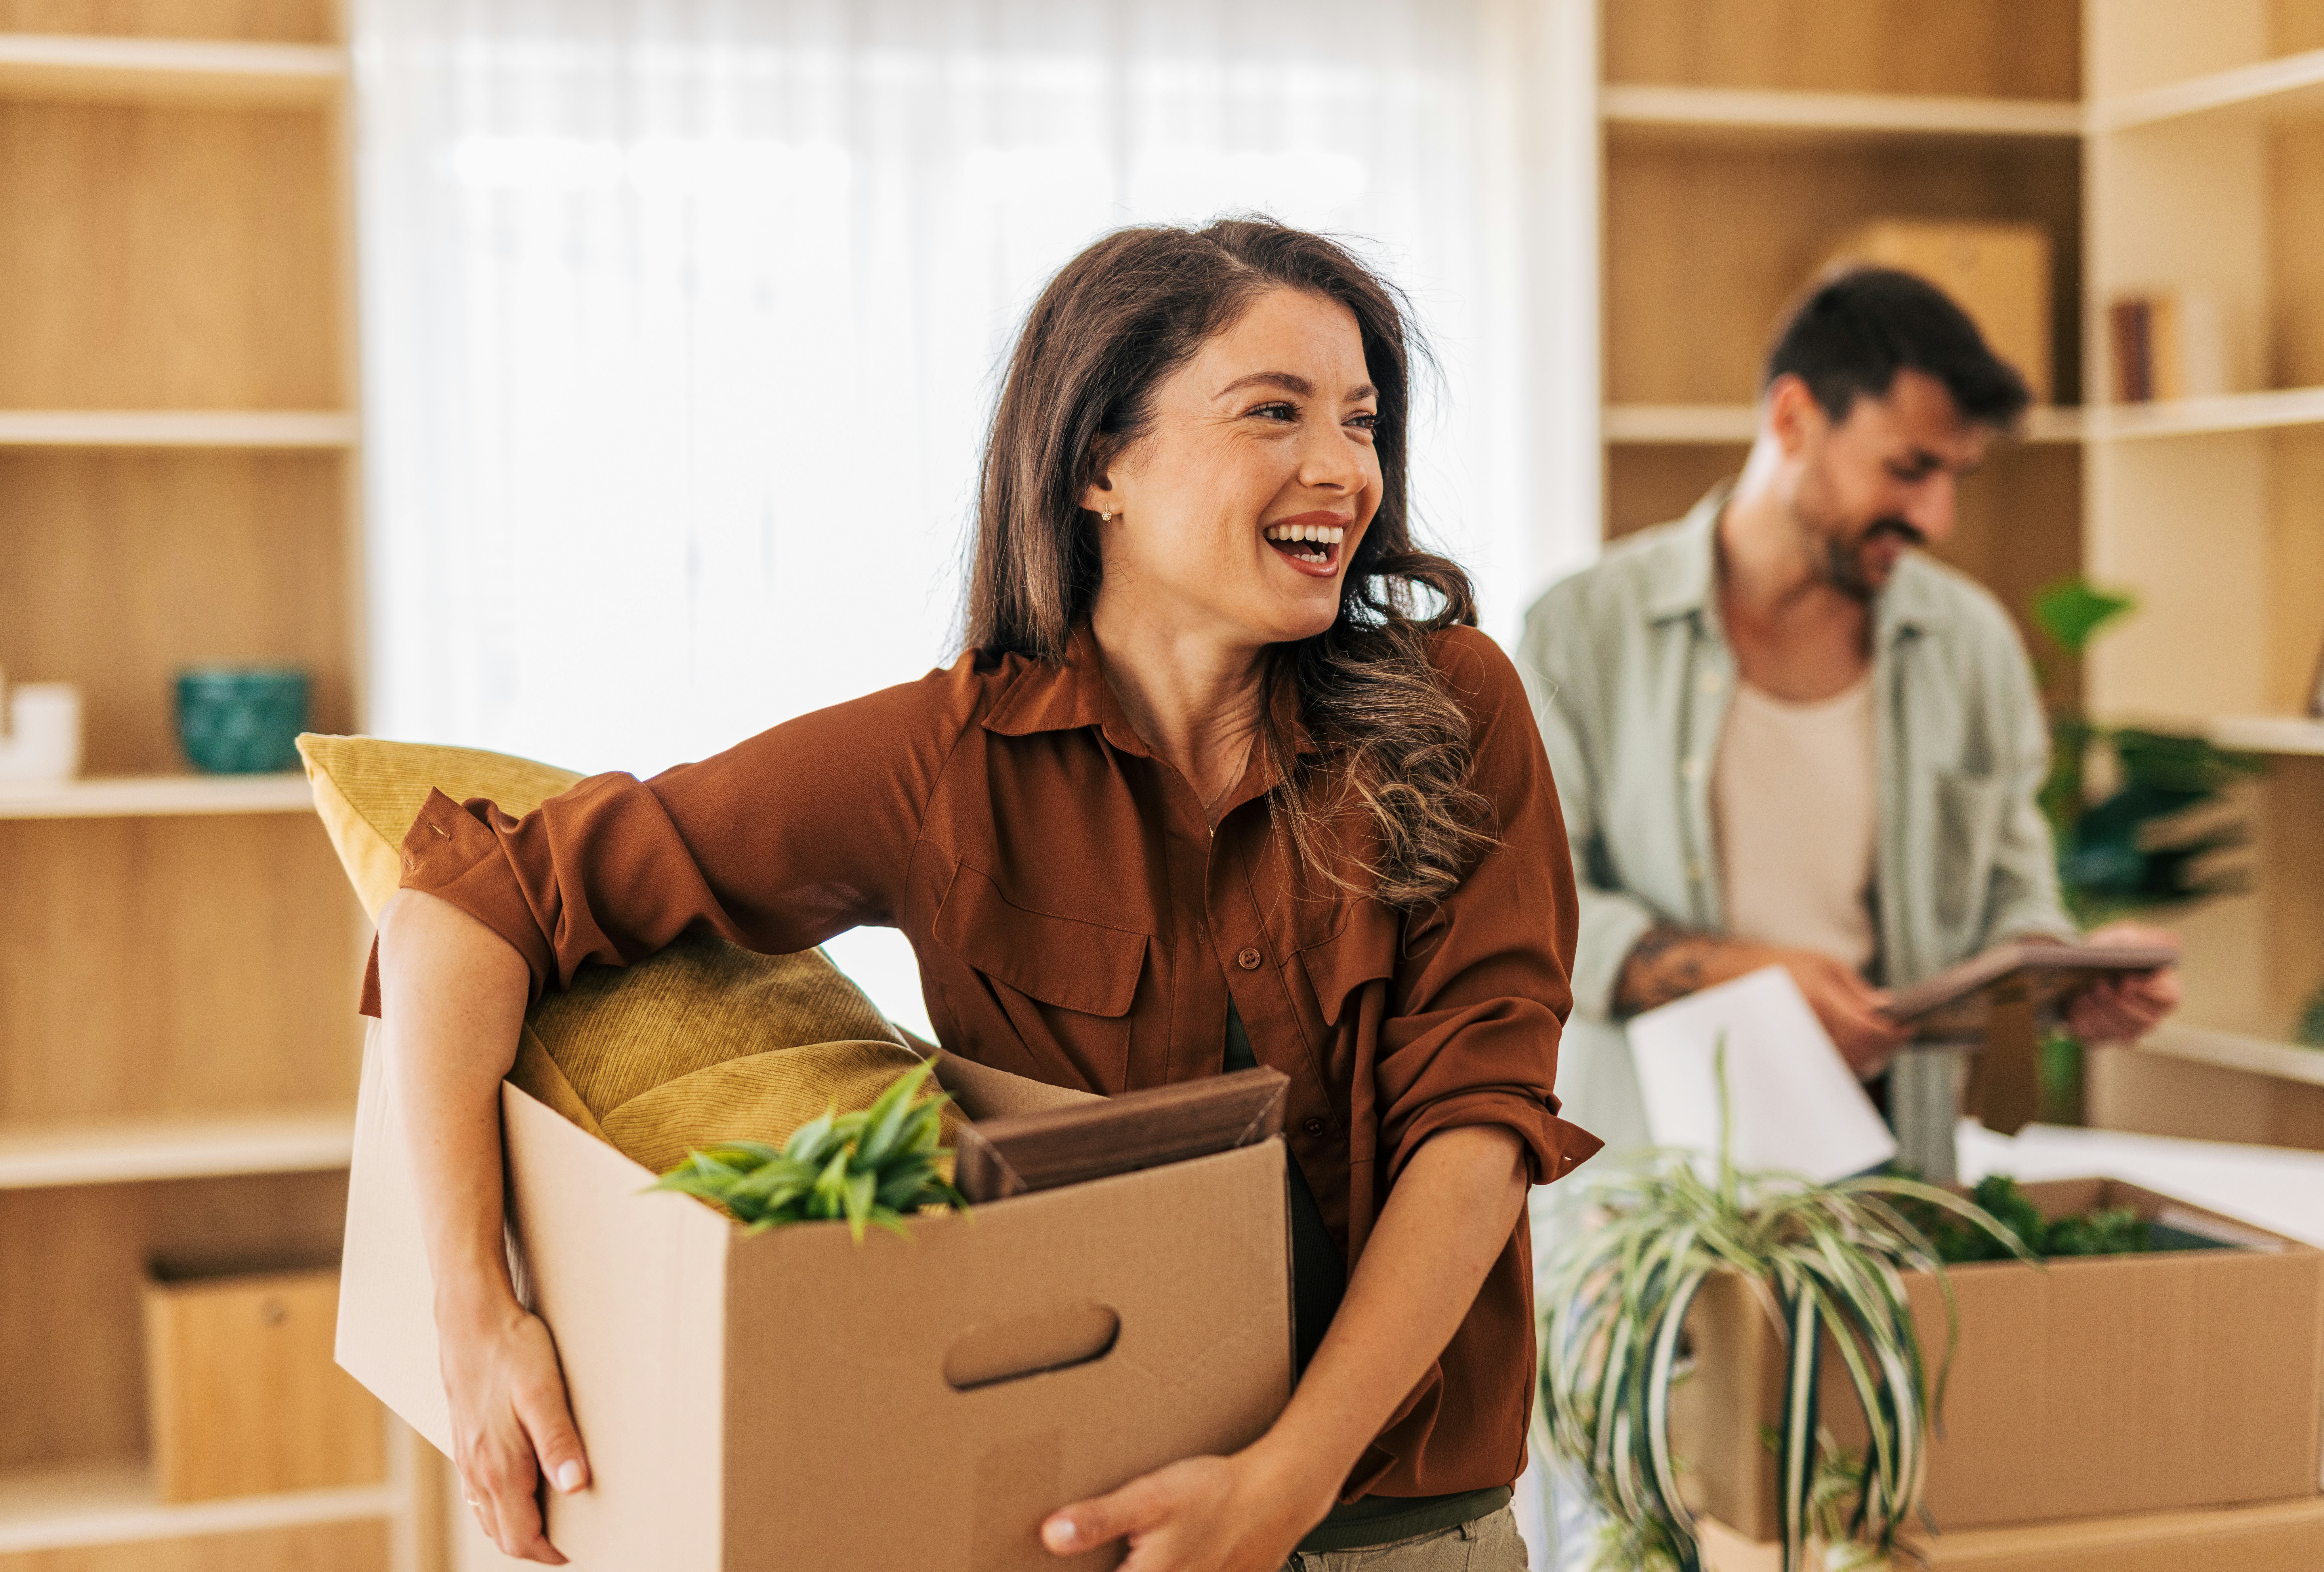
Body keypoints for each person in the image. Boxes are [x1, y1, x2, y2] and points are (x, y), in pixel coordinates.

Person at [374, 218, 1596, 1572]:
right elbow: (463, 909)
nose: (1342, 469)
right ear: (1098, 467)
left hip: (1406, 1531)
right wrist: (472, 1316)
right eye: (1274, 412)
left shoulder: (1453, 708)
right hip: (1077, 1532)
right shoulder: (940, 768)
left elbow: (1479, 1124)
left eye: (1362, 422)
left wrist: (1279, 1489)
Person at [1516, 267, 2179, 1150]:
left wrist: (2071, 979)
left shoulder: (1971, 640)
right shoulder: (1582, 629)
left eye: (1956, 476)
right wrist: (1741, 978)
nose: (1936, 515)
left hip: (1892, 1175)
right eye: (1909, 470)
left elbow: (2010, 897)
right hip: (1654, 1198)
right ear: (1793, 419)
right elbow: (1529, 912)